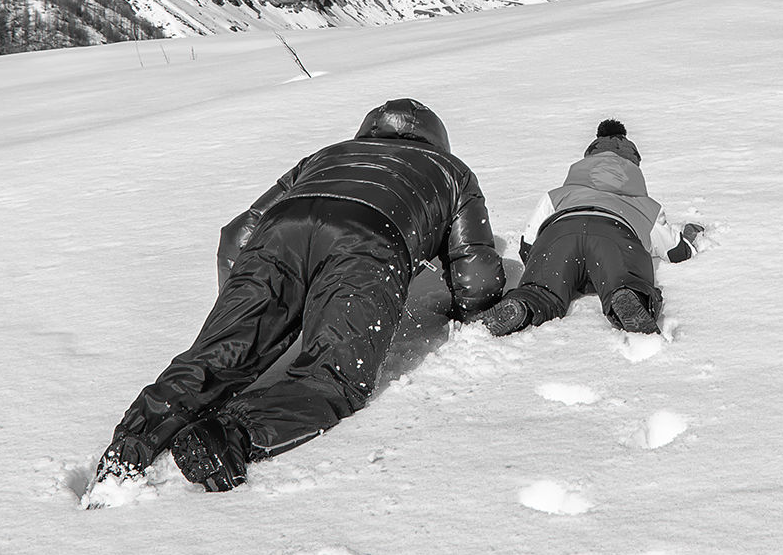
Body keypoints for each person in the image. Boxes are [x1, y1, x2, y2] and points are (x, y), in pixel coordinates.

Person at [96, 98, 504, 492]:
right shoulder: (452, 171)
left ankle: (131, 444)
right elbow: (477, 274)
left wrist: (246, 308)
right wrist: (470, 313)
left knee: (218, 354)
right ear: (438, 141)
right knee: (333, 376)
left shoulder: (326, 155)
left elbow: (237, 236)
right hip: (370, 241)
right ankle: (230, 436)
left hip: (278, 233)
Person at [483, 119, 700, 338]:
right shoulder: (647, 206)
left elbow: (528, 246)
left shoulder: (557, 195)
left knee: (542, 290)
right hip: (614, 236)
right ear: (634, 168)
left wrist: (557, 268)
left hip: (560, 234)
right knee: (625, 281)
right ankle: (629, 297)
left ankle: (523, 304)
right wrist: (691, 235)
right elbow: (676, 252)